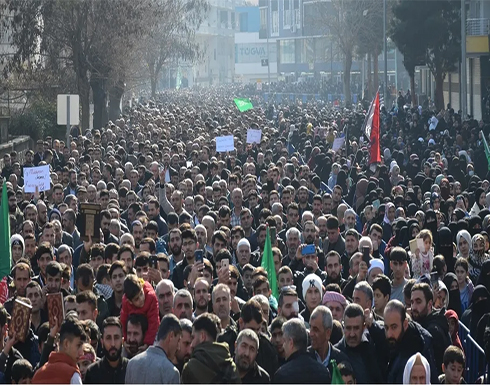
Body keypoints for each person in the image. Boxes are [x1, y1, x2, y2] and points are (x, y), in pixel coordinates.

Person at [383, 300, 439, 384]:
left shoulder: (416, 349)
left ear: (405, 324)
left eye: (394, 327)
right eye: (386, 328)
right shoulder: (398, 342)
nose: (389, 334)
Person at [181, 313, 240, 383]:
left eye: (193, 337)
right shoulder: (232, 367)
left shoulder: (190, 368)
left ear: (202, 336)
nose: (191, 345)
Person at [334, 303, 384, 383]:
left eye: (356, 328)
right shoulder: (335, 354)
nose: (352, 334)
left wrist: (373, 326)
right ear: (343, 327)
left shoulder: (372, 348)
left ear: (364, 327)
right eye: (348, 328)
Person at [125, 314, 181, 384]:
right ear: (171, 336)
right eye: (178, 340)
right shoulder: (171, 372)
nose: (178, 347)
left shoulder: (132, 363)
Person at [273, 318, 331, 384]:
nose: (283, 346)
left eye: (284, 341)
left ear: (291, 343)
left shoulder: (282, 375)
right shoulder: (324, 372)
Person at [410, 283, 451, 375]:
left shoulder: (433, 330)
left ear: (429, 304)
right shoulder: (429, 323)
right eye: (412, 302)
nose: (413, 307)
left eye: (418, 301)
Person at [32, 316, 86, 384]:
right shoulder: (72, 375)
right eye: (78, 345)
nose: (82, 353)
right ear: (66, 344)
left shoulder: (37, 375)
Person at [307, 305, 350, 375]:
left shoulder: (341, 360)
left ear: (328, 333)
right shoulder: (305, 358)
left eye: (315, 329)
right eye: (310, 328)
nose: (311, 333)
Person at [84, 317, 128, 384]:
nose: (113, 344)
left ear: (122, 341)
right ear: (102, 342)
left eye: (116, 338)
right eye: (108, 338)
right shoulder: (93, 372)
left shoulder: (130, 368)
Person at [120, 274, 159, 347]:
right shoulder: (125, 302)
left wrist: (147, 343)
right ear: (130, 301)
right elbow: (123, 321)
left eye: (141, 293)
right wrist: (125, 340)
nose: (141, 299)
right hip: (133, 334)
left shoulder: (151, 297)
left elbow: (154, 322)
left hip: (151, 334)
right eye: (136, 299)